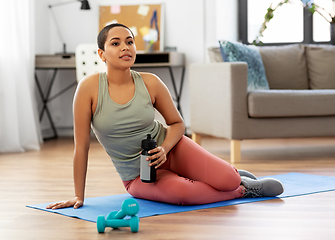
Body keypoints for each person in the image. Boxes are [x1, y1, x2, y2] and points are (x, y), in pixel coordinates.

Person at [47, 23, 283, 210]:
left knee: (226, 179)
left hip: (172, 149)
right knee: (184, 194)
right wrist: (79, 195)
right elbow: (82, 147)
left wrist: (165, 148)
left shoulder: (150, 82)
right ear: (102, 53)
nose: (125, 47)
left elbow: (177, 124)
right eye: (116, 43)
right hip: (138, 175)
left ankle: (232, 177)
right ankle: (244, 189)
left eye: (129, 42)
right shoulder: (88, 89)